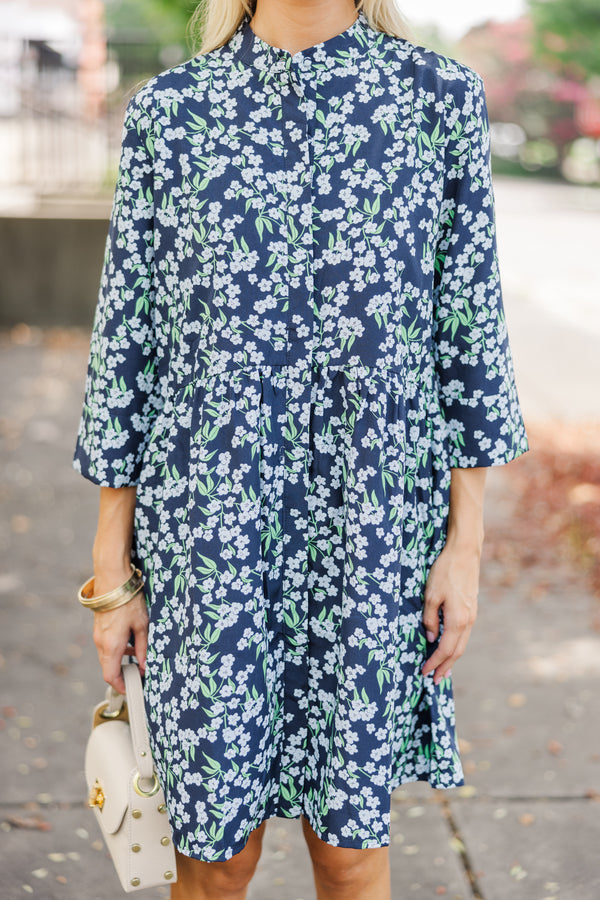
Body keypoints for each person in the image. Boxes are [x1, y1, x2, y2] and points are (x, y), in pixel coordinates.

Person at [72, 0, 529, 897]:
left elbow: (468, 341)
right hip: (209, 537)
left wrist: (463, 550)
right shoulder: (172, 113)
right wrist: (111, 571)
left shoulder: (438, 99)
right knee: (212, 856)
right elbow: (127, 345)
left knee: (351, 855)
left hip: (369, 538)